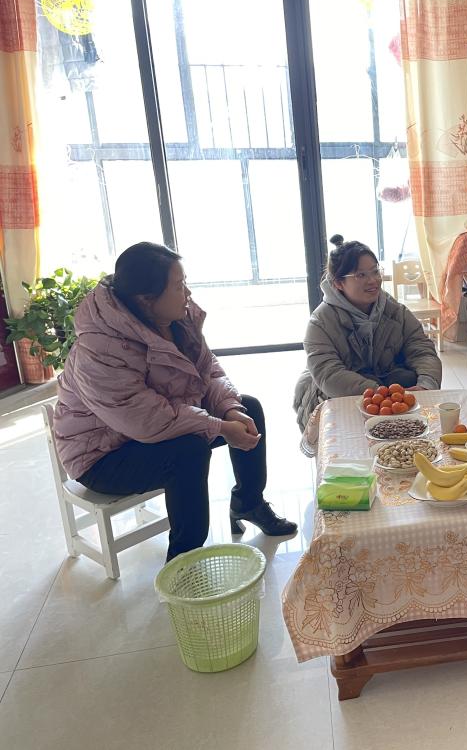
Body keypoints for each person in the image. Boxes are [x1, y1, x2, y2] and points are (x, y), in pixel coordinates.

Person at [53, 242, 296, 562]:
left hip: (155, 429)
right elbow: (147, 421)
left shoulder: (177, 320)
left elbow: (208, 371)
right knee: (188, 452)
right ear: (146, 299)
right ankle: (184, 560)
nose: (188, 293)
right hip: (101, 455)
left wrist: (229, 410)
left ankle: (248, 503)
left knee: (247, 408)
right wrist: (220, 427)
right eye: (179, 286)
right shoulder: (98, 350)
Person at [294, 235, 442, 430]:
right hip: (337, 393)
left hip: (383, 389)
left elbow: (421, 349)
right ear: (338, 283)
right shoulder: (320, 322)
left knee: (409, 386)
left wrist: (425, 385)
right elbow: (329, 374)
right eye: (361, 275)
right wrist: (380, 394)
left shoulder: (395, 311)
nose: (373, 281)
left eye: (375, 271)